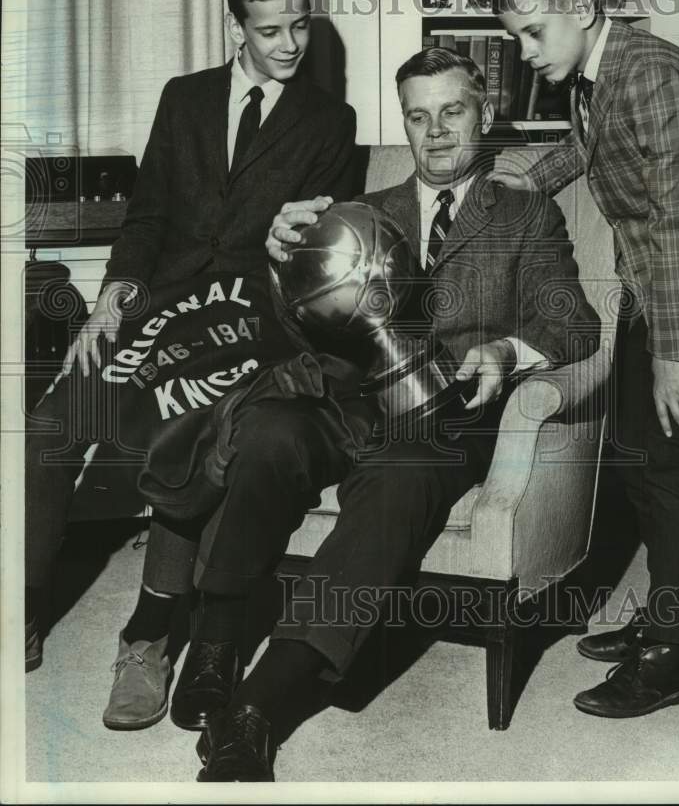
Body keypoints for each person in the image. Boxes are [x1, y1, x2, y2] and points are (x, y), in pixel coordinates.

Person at [180, 46, 601, 781]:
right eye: (417, 116)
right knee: (270, 433)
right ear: (403, 123)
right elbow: (302, 329)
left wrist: (505, 352)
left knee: (400, 479)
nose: (435, 131)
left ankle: (261, 705)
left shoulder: (526, 214)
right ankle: (214, 644)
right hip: (347, 402)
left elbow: (576, 327)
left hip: (443, 423)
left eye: (453, 111)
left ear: (486, 112)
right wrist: (282, 268)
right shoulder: (366, 212)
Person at [24, 0, 359, 715]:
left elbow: (321, 256)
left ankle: (147, 636)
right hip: (160, 295)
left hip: (252, 312)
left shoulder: (329, 121)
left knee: (187, 435)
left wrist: (290, 251)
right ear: (234, 24)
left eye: (299, 25)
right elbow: (147, 218)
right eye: (270, 28)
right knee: (51, 423)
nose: (289, 44)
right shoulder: (185, 99)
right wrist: (112, 300)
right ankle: (26, 606)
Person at [491, 0, 679, 718]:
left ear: (582, 10)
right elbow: (595, 145)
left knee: (667, 460)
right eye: (515, 34)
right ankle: (671, 613)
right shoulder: (597, 71)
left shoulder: (651, 77)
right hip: (668, 284)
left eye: (532, 33)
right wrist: (533, 176)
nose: (524, 51)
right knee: (636, 450)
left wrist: (673, 358)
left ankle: (673, 655)